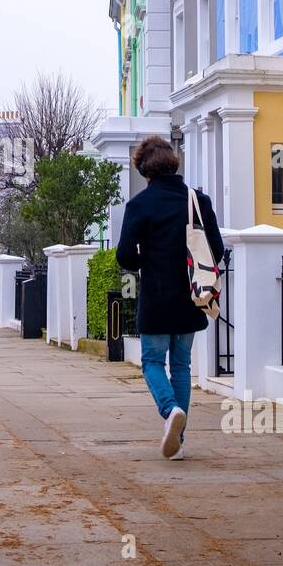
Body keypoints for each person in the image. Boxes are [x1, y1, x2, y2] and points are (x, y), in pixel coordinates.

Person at [116, 135, 224, 461]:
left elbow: (124, 256)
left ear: (145, 171)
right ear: (173, 162)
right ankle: (179, 438)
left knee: (151, 361)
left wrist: (145, 260)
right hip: (192, 297)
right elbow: (216, 250)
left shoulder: (139, 205)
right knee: (180, 365)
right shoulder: (197, 201)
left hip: (157, 297)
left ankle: (170, 410)